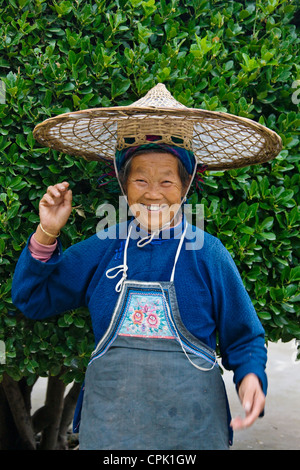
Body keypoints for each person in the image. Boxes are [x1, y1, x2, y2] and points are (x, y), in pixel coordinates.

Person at [12, 84, 282, 450]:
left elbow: (244, 336)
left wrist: (251, 376)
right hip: (110, 432)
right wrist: (47, 232)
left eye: (167, 180)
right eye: (140, 179)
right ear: (124, 184)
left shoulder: (208, 254)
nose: (153, 192)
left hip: (193, 431)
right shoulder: (104, 247)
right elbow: (32, 299)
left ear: (186, 186)